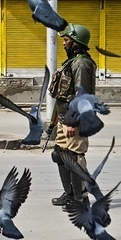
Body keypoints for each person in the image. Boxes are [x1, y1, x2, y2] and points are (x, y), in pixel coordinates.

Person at [47, 23, 96, 206]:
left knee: (75, 157)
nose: (64, 43)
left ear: (76, 42)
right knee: (60, 155)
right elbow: (61, 97)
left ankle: (80, 198)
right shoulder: (71, 63)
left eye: (66, 40)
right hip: (63, 118)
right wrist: (54, 122)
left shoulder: (82, 64)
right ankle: (69, 194)